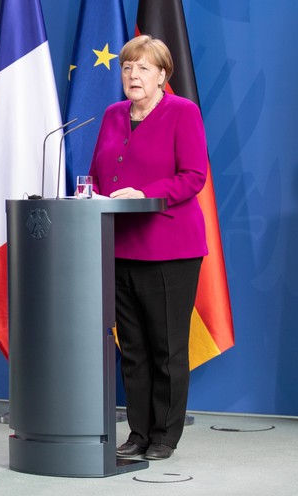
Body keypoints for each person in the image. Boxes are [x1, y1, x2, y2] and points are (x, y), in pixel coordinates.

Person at [88, 35, 208, 461]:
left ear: (162, 75)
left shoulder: (182, 112)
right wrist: (94, 195)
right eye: (126, 67)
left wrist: (143, 192)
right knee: (133, 350)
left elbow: (194, 175)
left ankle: (164, 436)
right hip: (119, 248)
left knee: (166, 348)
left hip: (169, 249)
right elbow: (97, 175)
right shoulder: (112, 114)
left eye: (142, 68)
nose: (133, 75)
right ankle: (138, 433)